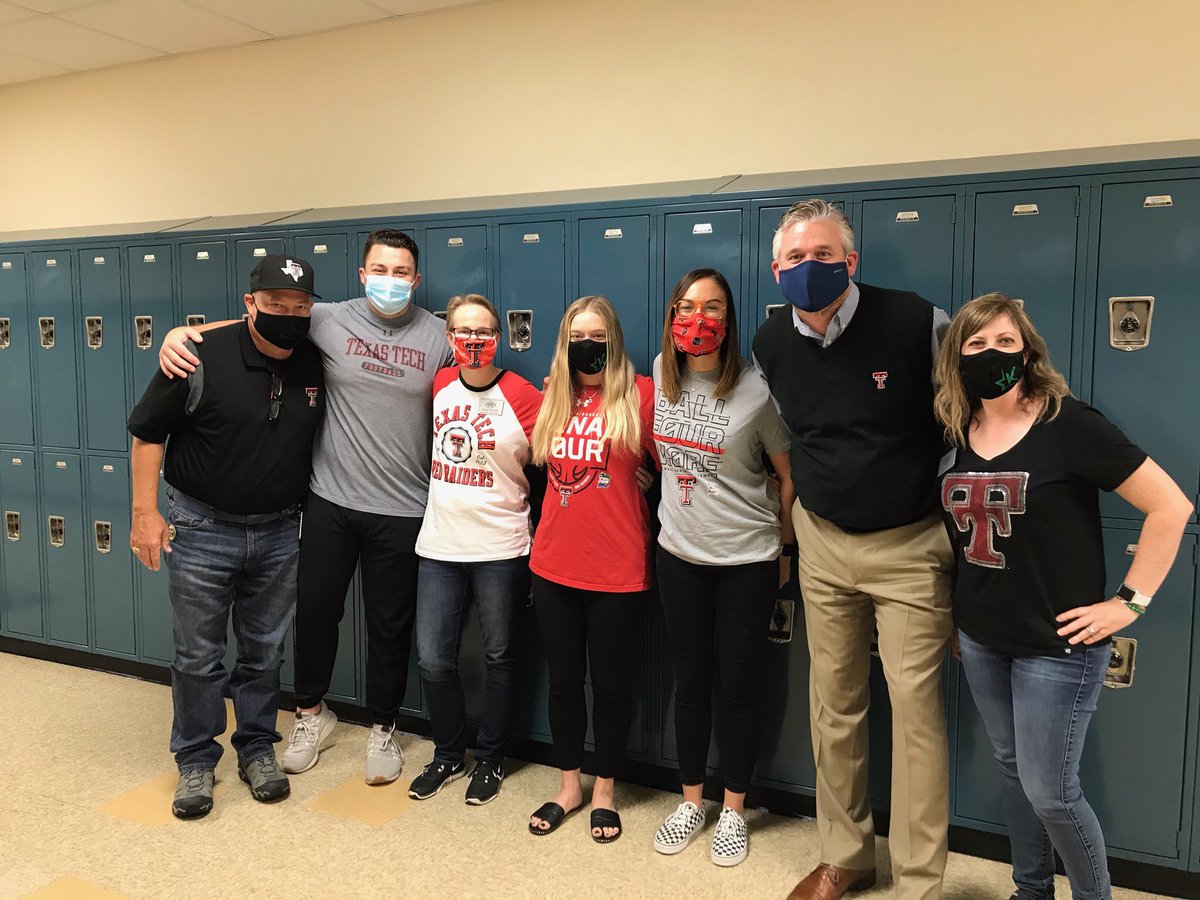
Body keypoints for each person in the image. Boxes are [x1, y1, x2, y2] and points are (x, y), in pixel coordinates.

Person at [158, 229, 452, 786]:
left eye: (401, 272)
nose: (390, 280)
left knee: (390, 626)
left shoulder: (438, 335)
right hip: (328, 500)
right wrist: (183, 334)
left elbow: (477, 382)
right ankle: (311, 715)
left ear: (416, 279)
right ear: (363, 274)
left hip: (404, 505)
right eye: (380, 270)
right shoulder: (328, 319)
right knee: (315, 617)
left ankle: (383, 726)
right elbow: (257, 324)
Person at [935, 294, 1191, 900]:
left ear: (1028, 352)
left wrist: (1128, 604)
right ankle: (1031, 891)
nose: (992, 354)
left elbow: (1171, 506)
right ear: (957, 358)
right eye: (976, 344)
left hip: (1058, 646)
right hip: (982, 637)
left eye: (1005, 342)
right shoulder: (955, 431)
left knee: (1051, 792)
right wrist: (959, 621)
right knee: (1013, 771)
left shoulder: (1068, 424)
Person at [752, 199, 954, 900]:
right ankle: (847, 856)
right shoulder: (771, 345)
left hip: (911, 543)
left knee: (916, 713)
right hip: (824, 540)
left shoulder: (917, 322)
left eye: (824, 255)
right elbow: (790, 435)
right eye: (796, 258)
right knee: (833, 706)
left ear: (852, 260)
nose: (810, 268)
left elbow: (966, 424)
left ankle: (920, 881)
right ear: (776, 269)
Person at [128, 254, 325, 819]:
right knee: (198, 656)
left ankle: (257, 748)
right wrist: (144, 512)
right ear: (249, 304)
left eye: (299, 307)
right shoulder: (197, 356)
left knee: (264, 652)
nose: (288, 316)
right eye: (274, 305)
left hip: (280, 531)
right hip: (201, 528)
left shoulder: (315, 358)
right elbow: (148, 433)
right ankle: (195, 758)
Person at [650, 268, 794, 867]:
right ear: (672, 317)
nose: (698, 319)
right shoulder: (661, 376)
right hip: (679, 556)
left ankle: (733, 809)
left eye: (712, 308)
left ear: (729, 321)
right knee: (690, 684)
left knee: (738, 687)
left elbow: (787, 477)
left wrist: (785, 551)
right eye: (686, 307)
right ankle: (691, 802)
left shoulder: (756, 392)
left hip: (745, 560)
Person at [525, 295, 657, 843]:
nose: (587, 345)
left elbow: (674, 466)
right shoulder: (551, 397)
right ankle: (569, 787)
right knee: (562, 682)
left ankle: (605, 791)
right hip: (553, 564)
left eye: (598, 336)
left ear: (614, 341)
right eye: (577, 336)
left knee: (610, 685)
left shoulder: (641, 395)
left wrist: (649, 481)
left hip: (617, 568)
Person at [407, 294, 542, 805]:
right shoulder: (441, 384)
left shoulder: (523, 395)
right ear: (449, 338)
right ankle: (447, 754)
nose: (473, 340)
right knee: (433, 659)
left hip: (501, 547)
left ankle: (490, 757)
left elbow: (559, 457)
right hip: (440, 545)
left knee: (500, 656)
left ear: (498, 338)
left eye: (483, 331)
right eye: (463, 331)